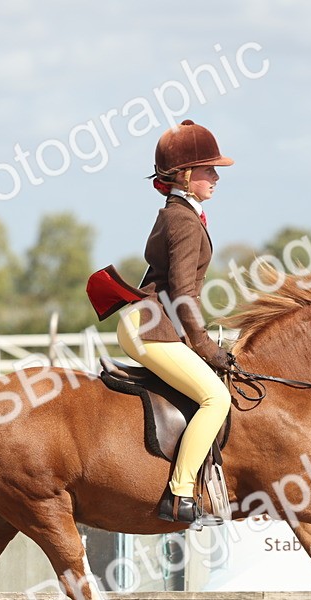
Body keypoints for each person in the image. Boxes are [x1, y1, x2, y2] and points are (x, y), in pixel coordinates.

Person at [117, 119, 235, 524]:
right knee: (216, 398)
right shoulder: (182, 219)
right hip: (152, 328)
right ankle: (180, 493)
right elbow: (184, 293)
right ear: (184, 176)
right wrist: (205, 348)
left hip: (155, 323)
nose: (216, 177)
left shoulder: (183, 212)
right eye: (208, 170)